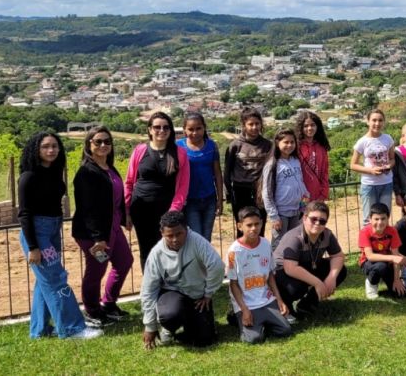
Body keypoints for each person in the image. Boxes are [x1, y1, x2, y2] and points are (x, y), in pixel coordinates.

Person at [19, 131, 101, 340]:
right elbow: (24, 214)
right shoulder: (29, 176)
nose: (51, 150)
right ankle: (73, 329)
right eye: (45, 146)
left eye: (55, 146)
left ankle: (39, 331)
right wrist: (33, 247)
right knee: (56, 279)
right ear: (36, 149)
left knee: (45, 281)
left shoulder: (54, 172)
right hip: (38, 233)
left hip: (53, 230)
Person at [72, 126, 133, 326]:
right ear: (89, 145)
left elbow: (117, 198)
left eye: (107, 141)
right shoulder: (86, 172)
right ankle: (92, 310)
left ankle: (109, 303)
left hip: (112, 227)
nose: (103, 145)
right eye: (98, 141)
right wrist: (98, 238)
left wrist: (125, 218)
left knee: (124, 261)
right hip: (94, 233)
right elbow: (87, 208)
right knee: (97, 269)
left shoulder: (110, 168)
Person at [141, 211, 224, 349]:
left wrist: (208, 293)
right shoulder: (156, 253)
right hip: (171, 293)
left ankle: (191, 322)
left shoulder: (198, 242)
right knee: (170, 315)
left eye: (179, 234)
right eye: (169, 236)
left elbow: (217, 267)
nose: (175, 239)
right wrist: (150, 326)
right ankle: (168, 327)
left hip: (198, 296)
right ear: (162, 233)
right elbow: (149, 289)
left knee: (205, 339)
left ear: (186, 229)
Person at [125, 112, 190, 269]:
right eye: (157, 127)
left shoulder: (179, 153)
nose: (161, 130)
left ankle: (169, 283)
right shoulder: (140, 151)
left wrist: (173, 211)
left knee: (170, 249)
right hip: (141, 209)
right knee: (146, 250)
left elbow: (183, 186)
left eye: (166, 127)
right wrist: (126, 210)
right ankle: (150, 283)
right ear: (149, 129)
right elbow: (129, 182)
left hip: (167, 210)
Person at [226, 207, 292, 344]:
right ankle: (236, 315)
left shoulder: (265, 244)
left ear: (262, 224)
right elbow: (233, 284)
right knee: (253, 339)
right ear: (240, 226)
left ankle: (263, 321)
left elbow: (270, 274)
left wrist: (279, 300)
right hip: (247, 304)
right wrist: (244, 309)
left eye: (257, 224)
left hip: (265, 299)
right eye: (249, 225)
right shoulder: (234, 251)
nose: (253, 228)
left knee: (285, 330)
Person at [273, 201, 348, 318]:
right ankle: (285, 307)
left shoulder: (327, 234)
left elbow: (338, 256)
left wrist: (331, 278)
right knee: (295, 288)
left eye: (322, 221)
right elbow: (290, 268)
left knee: (341, 270)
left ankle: (307, 304)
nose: (317, 223)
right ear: (304, 218)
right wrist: (317, 283)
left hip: (306, 265)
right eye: (313, 219)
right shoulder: (295, 237)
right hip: (281, 271)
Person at [177, 112, 223, 242]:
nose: (195, 132)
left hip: (209, 199)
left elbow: (217, 173)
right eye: (191, 129)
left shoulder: (211, 146)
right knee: (196, 238)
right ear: (184, 130)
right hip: (190, 200)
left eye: (198, 128)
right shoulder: (179, 146)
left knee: (206, 238)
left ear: (204, 128)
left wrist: (220, 199)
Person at [225, 107, 272, 233]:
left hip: (260, 191)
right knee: (242, 227)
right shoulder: (235, 145)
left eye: (257, 123)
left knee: (259, 226)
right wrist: (229, 193)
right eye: (251, 124)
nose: (254, 127)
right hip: (240, 190)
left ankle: (259, 246)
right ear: (244, 125)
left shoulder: (267, 145)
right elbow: (227, 171)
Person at [262, 129, 309, 248]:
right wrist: (274, 216)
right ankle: (276, 261)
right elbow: (266, 192)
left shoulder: (296, 161)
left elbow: (301, 184)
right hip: (281, 213)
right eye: (286, 142)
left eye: (292, 142)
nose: (289, 145)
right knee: (279, 244)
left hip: (297, 211)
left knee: (294, 242)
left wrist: (304, 205)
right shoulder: (272, 164)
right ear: (277, 143)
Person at [350, 109, 395, 224]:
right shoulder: (362, 141)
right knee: (369, 219)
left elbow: (392, 159)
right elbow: (353, 165)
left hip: (386, 183)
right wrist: (371, 171)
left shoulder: (388, 139)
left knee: (385, 217)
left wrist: (388, 166)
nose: (377, 123)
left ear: (384, 122)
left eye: (380, 120)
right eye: (374, 120)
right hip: (369, 184)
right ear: (368, 121)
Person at [358, 202, 406, 299]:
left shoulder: (392, 231)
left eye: (383, 218)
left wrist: (397, 279)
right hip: (368, 262)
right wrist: (392, 258)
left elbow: (396, 256)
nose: (380, 222)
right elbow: (370, 256)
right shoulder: (364, 232)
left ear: (388, 218)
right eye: (376, 219)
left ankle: (390, 280)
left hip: (387, 262)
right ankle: (371, 282)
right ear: (370, 219)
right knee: (380, 266)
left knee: (400, 294)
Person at [295, 111, 330, 202]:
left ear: (317, 126)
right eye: (306, 126)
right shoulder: (295, 147)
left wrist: (324, 194)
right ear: (301, 128)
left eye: (313, 125)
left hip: (318, 195)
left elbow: (325, 172)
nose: (310, 128)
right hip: (300, 195)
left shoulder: (321, 147)